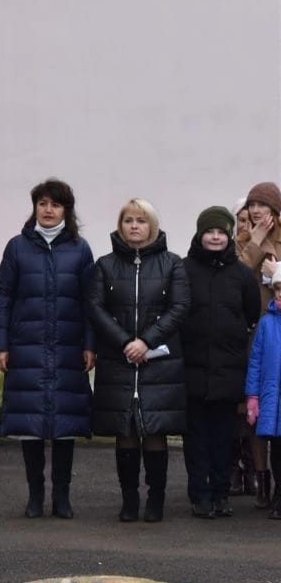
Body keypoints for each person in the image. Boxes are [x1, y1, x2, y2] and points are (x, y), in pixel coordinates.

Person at [0, 179, 94, 519]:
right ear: (34, 207)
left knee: (64, 427)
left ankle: (61, 497)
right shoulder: (17, 247)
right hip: (28, 347)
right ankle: (35, 496)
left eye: (56, 205)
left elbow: (89, 302)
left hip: (67, 347)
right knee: (31, 426)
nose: (48, 210)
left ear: (67, 210)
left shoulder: (80, 250)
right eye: (42, 204)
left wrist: (90, 344)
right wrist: (1, 345)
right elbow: (3, 298)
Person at [87, 198, 190, 522]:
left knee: (155, 430)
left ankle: (155, 499)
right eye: (128, 220)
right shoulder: (104, 265)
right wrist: (125, 343)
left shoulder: (172, 263)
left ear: (152, 226)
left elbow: (180, 307)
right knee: (126, 429)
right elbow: (96, 307)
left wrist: (147, 341)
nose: (134, 226)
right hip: (119, 361)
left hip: (158, 360)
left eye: (140, 220)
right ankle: (129, 499)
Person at [180, 207, 260, 517]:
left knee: (224, 437)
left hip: (228, 370)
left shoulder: (241, 275)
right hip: (192, 368)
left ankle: (221, 493)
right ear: (200, 235)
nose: (215, 237)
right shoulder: (183, 269)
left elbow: (251, 314)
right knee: (196, 436)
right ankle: (200, 494)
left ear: (228, 236)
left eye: (221, 232)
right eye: (209, 231)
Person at [236, 181, 281, 507]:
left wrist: (277, 268)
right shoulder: (243, 239)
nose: (255, 211)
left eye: (261, 205)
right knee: (254, 410)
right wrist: (255, 242)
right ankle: (261, 480)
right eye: (252, 206)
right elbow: (236, 274)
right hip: (254, 337)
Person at [246, 267, 281, 519]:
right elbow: (255, 361)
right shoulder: (267, 323)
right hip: (272, 398)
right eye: (279, 288)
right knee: (277, 452)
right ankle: (278, 496)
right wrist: (252, 397)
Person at [229, 196, 255, 495]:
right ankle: (235, 467)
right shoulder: (231, 249)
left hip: (260, 331)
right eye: (240, 220)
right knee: (237, 405)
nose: (245, 224)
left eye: (249, 219)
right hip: (238, 335)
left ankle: (254, 466)